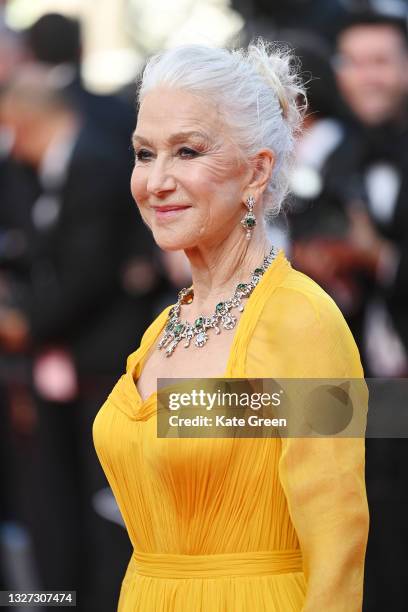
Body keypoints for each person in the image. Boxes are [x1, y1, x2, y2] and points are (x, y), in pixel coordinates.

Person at [93, 40, 369, 611]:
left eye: (187, 151)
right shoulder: (165, 326)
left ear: (256, 170)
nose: (156, 181)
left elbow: (338, 540)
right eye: (144, 154)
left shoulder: (301, 322)